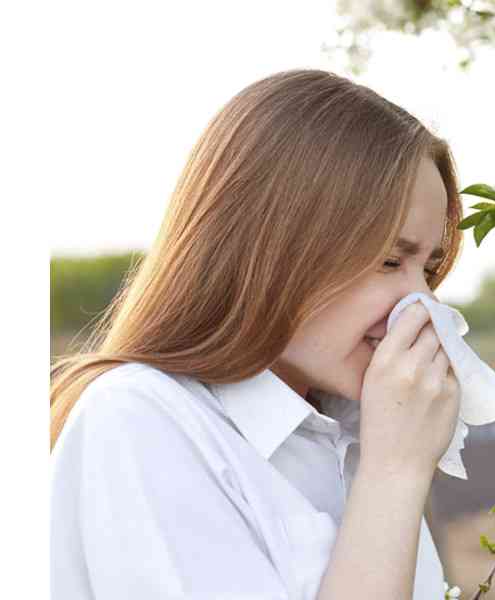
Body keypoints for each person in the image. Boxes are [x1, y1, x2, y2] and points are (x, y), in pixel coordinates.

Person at [49, 68, 465, 600]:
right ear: (272, 247)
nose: (423, 306)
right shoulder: (140, 417)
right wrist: (395, 474)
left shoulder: (354, 432)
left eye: (428, 269)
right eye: (389, 260)